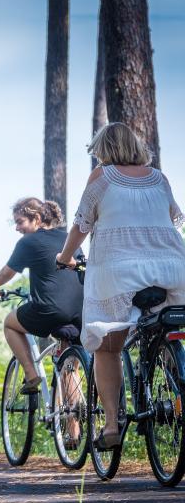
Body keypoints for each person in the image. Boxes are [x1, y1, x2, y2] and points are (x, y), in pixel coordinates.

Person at [57, 122, 185, 450]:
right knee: (167, 328)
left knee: (107, 346)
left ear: (104, 150)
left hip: (119, 272)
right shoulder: (160, 178)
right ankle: (176, 387)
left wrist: (65, 256)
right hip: (173, 268)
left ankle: (112, 426)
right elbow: (173, 218)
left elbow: (81, 224)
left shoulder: (102, 176)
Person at [0, 198, 84, 394]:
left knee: (10, 322)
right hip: (81, 312)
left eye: (20, 222)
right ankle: (75, 421)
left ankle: (31, 374)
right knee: (69, 370)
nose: (17, 228)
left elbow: (6, 273)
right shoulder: (68, 238)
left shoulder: (28, 242)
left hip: (52, 310)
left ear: (36, 218)